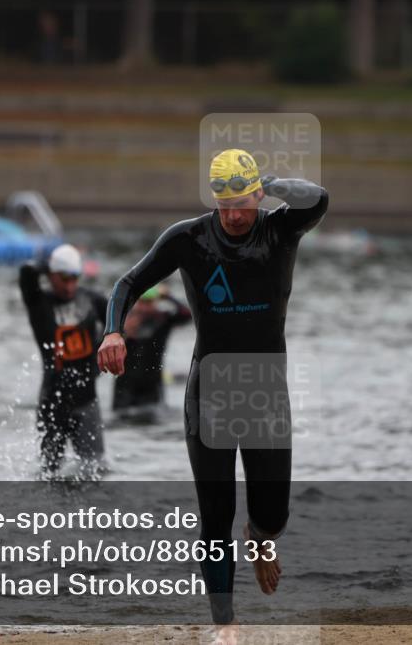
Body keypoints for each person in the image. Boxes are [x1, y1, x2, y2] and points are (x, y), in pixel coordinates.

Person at [97, 148, 328, 643]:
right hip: (210, 388)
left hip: (265, 389)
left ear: (256, 195)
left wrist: (274, 184)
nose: (235, 216)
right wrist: (113, 331)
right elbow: (128, 282)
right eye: (224, 207)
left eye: (242, 204)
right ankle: (225, 624)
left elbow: (318, 199)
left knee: (273, 513)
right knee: (215, 513)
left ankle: (261, 541)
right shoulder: (189, 238)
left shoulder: (279, 228)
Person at [19, 244, 109, 479]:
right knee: (49, 474)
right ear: (51, 276)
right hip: (52, 403)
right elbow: (26, 273)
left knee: (95, 471)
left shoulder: (92, 300)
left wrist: (101, 360)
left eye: (74, 278)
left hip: (87, 401)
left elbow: (119, 326)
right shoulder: (39, 303)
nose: (70, 286)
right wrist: (50, 263)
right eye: (63, 279)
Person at [112, 284, 191, 422]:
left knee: (153, 422)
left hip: (152, 387)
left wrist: (168, 296)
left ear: (155, 302)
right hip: (125, 387)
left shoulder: (162, 320)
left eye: (149, 303)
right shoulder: (123, 321)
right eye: (141, 302)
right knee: (120, 421)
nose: (144, 307)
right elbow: (103, 347)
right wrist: (122, 333)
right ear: (135, 302)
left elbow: (187, 314)